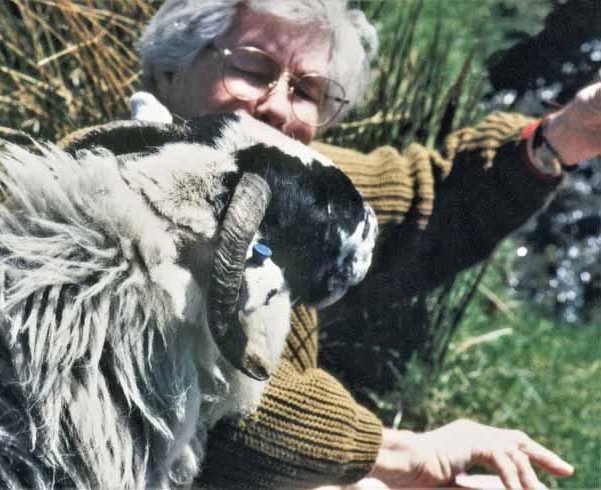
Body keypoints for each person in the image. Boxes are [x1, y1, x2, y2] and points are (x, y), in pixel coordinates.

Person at [129, 1, 600, 488]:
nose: (277, 107)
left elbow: (422, 204)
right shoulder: (110, 200)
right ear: (167, 69)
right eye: (251, 69)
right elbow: (226, 420)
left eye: (306, 90)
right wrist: (403, 451)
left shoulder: (274, 179)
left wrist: (563, 136)